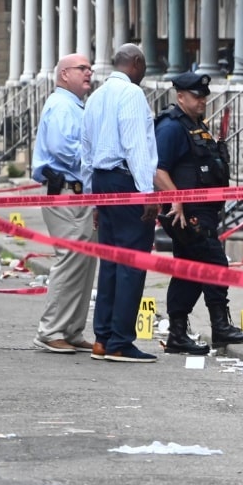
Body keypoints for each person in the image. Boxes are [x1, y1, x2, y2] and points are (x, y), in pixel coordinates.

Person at [154, 72, 243, 355]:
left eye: (204, 96)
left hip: (204, 211)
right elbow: (157, 169)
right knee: (214, 263)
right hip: (188, 213)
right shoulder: (172, 127)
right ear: (180, 97)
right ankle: (219, 327)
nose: (202, 101)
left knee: (188, 272)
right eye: (196, 96)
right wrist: (175, 200)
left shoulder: (195, 125)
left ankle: (179, 333)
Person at [81, 44, 160, 363]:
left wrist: (93, 198)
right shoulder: (131, 95)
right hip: (126, 180)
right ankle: (120, 341)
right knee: (131, 263)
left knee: (111, 261)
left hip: (102, 180)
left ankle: (102, 337)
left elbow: (85, 150)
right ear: (137, 63)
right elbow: (135, 145)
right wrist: (147, 192)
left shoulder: (96, 96)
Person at [29, 53, 97, 355]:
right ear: (64, 74)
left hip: (79, 193)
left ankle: (70, 329)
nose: (89, 72)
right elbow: (63, 149)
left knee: (83, 262)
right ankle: (51, 330)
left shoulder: (74, 106)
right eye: (82, 68)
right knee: (70, 260)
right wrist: (97, 160)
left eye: (90, 68)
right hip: (66, 192)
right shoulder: (60, 106)